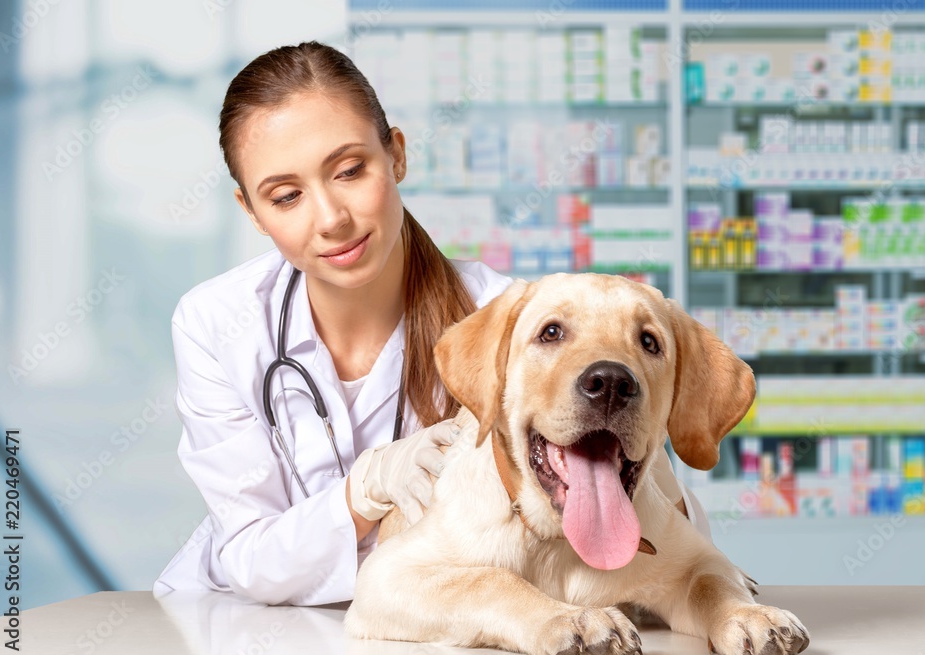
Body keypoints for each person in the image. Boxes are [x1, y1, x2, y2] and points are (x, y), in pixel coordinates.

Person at [154, 41, 708, 606]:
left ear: (395, 154)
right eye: (286, 196)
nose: (331, 219)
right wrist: (365, 489)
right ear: (251, 210)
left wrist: (637, 462)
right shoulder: (217, 323)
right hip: (235, 621)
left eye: (349, 170)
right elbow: (251, 561)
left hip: (442, 622)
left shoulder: (508, 324)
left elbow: (665, 558)